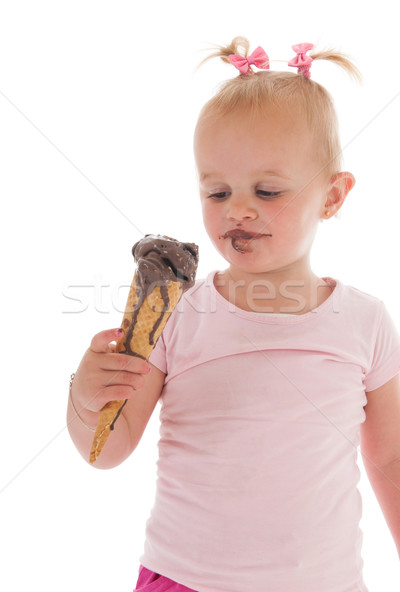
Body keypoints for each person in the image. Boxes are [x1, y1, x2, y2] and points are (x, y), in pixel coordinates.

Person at [67, 37, 400, 592]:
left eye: (267, 191)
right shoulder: (175, 315)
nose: (238, 209)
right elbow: (109, 448)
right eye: (217, 192)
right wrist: (84, 398)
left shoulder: (365, 322)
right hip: (185, 579)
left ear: (333, 196)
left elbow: (390, 459)